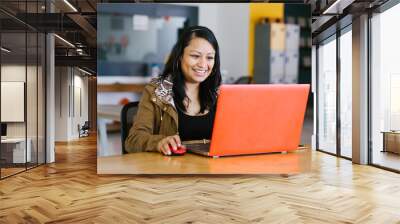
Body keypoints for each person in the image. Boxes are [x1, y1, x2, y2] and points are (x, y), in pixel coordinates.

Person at [125, 26, 222, 155]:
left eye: (209, 58)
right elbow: (133, 140)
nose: (203, 64)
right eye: (195, 56)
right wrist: (159, 142)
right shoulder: (157, 91)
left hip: (211, 170)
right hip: (171, 171)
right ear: (180, 56)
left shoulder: (219, 95)